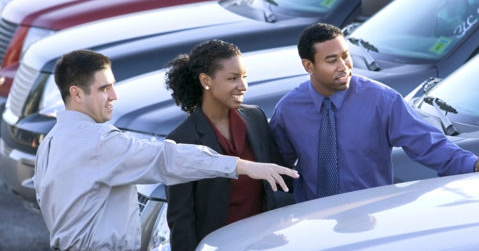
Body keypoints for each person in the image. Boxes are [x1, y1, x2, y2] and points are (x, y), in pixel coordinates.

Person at [33, 49, 298, 251]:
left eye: (113, 85)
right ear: (77, 94)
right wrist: (244, 166)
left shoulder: (51, 142)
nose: (114, 95)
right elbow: (167, 159)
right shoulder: (99, 142)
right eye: (104, 88)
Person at [269, 23, 479, 203]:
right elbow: (276, 167)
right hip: (310, 222)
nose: (343, 66)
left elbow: (428, 144)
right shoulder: (290, 109)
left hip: (369, 217)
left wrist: (474, 165)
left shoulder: (381, 100)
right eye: (331, 60)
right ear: (308, 66)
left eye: (345, 56)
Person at [164, 40, 292, 249]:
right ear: (206, 80)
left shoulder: (255, 117)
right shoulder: (181, 140)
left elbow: (278, 183)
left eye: (244, 77)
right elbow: (181, 221)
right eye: (233, 78)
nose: (243, 86)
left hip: (263, 243)